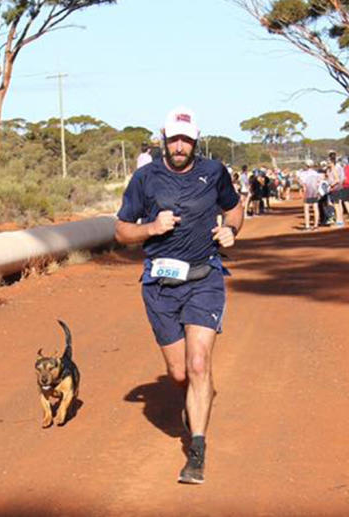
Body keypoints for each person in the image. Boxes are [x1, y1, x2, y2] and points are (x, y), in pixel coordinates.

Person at [115, 106, 243, 485]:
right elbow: (121, 231)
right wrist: (152, 227)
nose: (181, 145)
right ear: (163, 138)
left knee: (199, 363)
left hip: (205, 277)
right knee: (178, 373)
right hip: (160, 287)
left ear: (196, 140)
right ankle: (196, 398)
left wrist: (231, 230)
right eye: (174, 138)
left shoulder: (214, 172)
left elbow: (234, 210)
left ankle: (197, 450)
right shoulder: (145, 178)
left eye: (187, 139)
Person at [297, 159, 322, 230]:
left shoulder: (304, 174)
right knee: (315, 208)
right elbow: (319, 182)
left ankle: (307, 225)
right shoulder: (316, 173)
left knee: (306, 209)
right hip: (315, 192)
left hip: (307, 192)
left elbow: (302, 183)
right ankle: (316, 225)